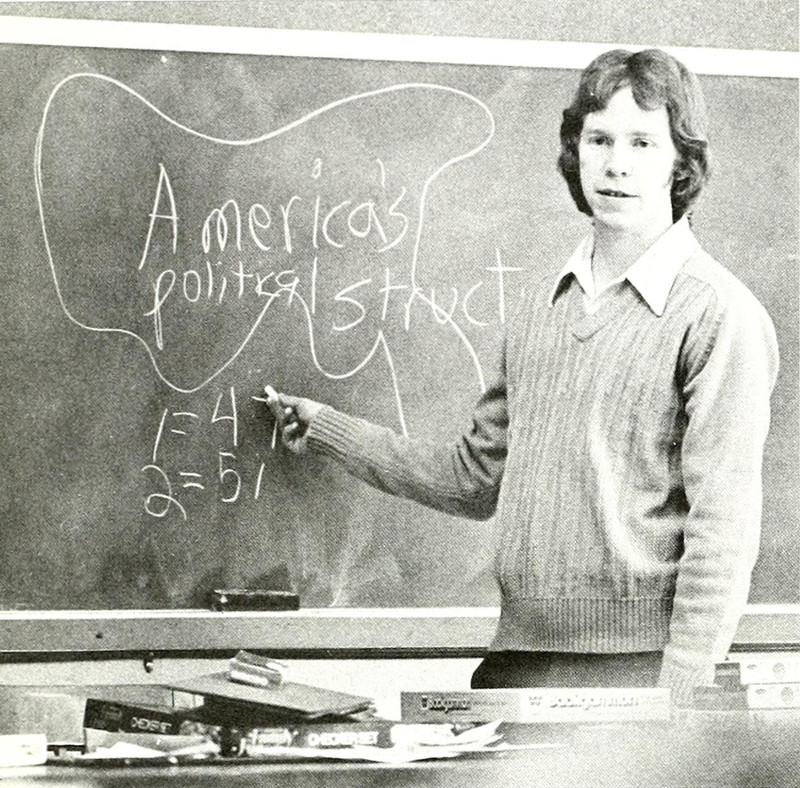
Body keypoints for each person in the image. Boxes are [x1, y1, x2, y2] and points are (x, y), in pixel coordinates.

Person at [265, 48, 779, 706]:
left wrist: (681, 697)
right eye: (599, 139)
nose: (617, 164)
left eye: (643, 143)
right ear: (575, 152)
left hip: (639, 670)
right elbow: (474, 479)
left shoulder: (717, 313)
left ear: (681, 162)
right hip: (518, 659)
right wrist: (330, 430)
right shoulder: (543, 306)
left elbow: (723, 530)